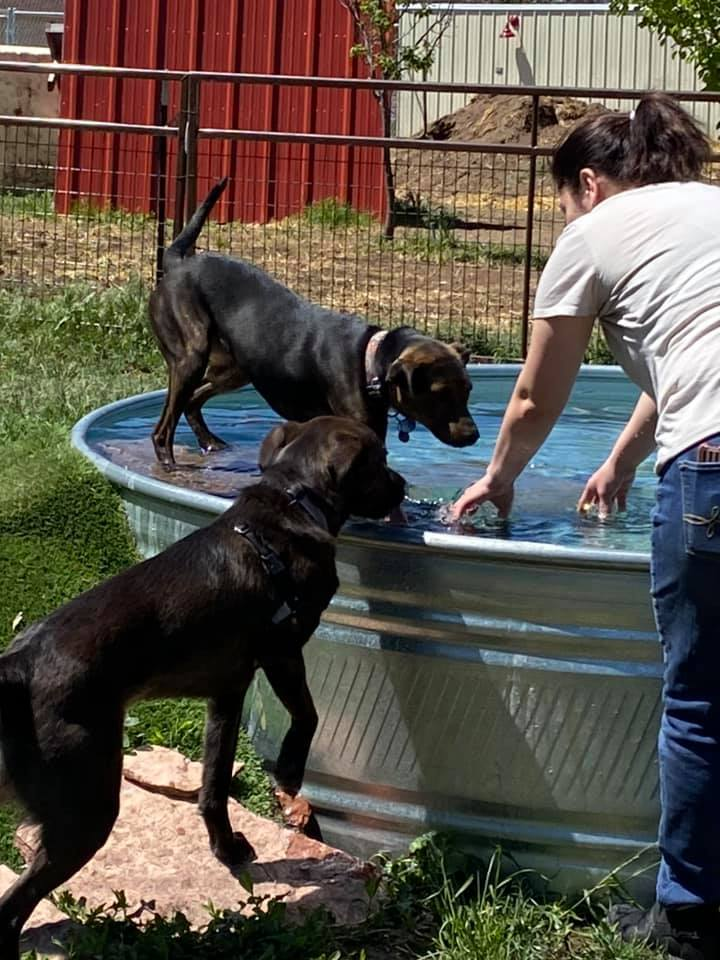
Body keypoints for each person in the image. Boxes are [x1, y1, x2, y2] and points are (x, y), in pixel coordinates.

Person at [450, 92, 720, 960]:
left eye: (565, 199)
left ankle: (690, 920)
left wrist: (498, 477)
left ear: (590, 184)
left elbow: (536, 395)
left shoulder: (594, 234)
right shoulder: (709, 210)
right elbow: (689, 359)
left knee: (702, 701)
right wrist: (626, 460)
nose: (568, 214)